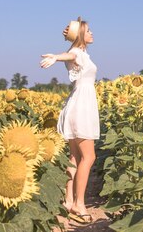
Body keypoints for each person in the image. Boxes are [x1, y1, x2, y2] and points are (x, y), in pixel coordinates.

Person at [40, 17, 100, 225]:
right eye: (89, 30)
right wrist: (56, 56)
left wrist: (58, 57)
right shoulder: (77, 53)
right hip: (82, 108)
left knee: (74, 157)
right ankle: (79, 204)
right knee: (89, 157)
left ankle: (68, 200)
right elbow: (69, 54)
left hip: (77, 105)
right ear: (81, 35)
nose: (92, 33)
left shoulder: (82, 54)